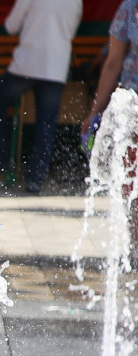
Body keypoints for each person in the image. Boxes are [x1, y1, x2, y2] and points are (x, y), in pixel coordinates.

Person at [0, 0, 81, 194]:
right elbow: (71, 31)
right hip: (56, 68)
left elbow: (11, 26)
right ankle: (35, 179)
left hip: (26, 65)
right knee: (46, 124)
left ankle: (1, 161)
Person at [83, 0, 138, 257]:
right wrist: (95, 111)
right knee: (132, 181)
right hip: (133, 106)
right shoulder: (129, 8)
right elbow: (113, 63)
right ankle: (135, 248)